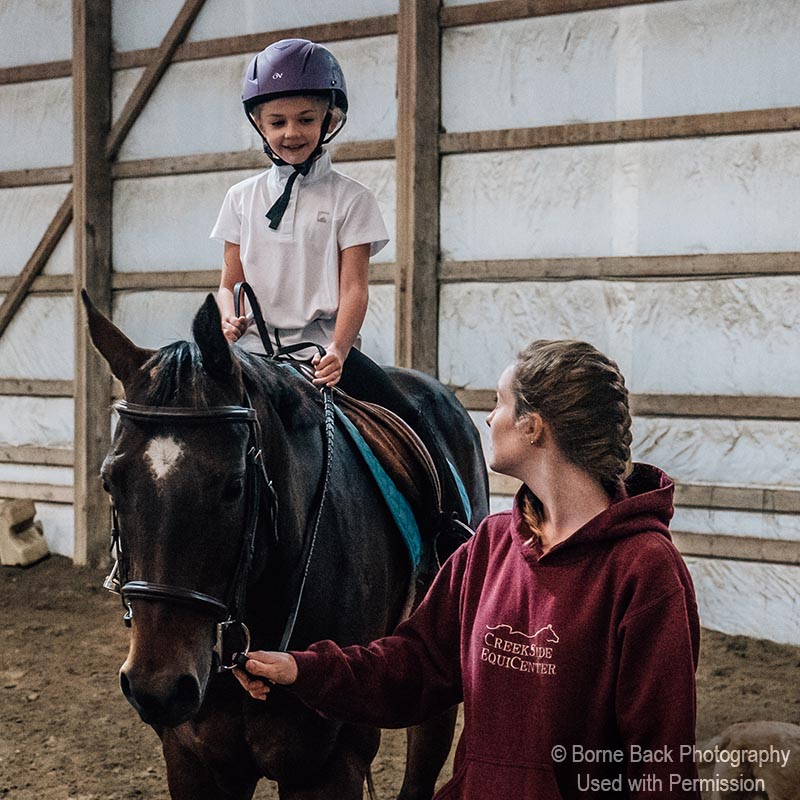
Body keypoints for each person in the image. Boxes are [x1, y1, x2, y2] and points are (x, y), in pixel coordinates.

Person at [234, 340, 703, 799]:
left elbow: (662, 764)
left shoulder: (646, 571)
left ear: (534, 427)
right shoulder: (493, 544)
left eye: (499, 403)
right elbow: (417, 665)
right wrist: (303, 670)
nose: (488, 418)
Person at [210, 38, 469, 542]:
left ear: (330, 120)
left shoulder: (352, 199)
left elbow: (354, 290)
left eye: (306, 119)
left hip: (323, 352)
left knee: (410, 416)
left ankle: (450, 529)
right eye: (278, 121)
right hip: (253, 354)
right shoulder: (240, 199)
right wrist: (228, 316)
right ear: (259, 125)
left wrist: (339, 350)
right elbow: (229, 281)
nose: (292, 132)